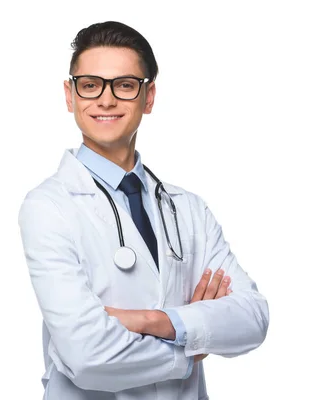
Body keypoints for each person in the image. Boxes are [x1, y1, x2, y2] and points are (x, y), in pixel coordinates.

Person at [17, 21, 269, 400]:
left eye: (124, 85)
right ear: (70, 96)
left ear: (148, 97)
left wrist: (155, 321)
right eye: (90, 85)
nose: (105, 99)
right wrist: (192, 343)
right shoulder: (49, 207)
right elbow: (87, 356)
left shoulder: (189, 209)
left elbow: (253, 317)